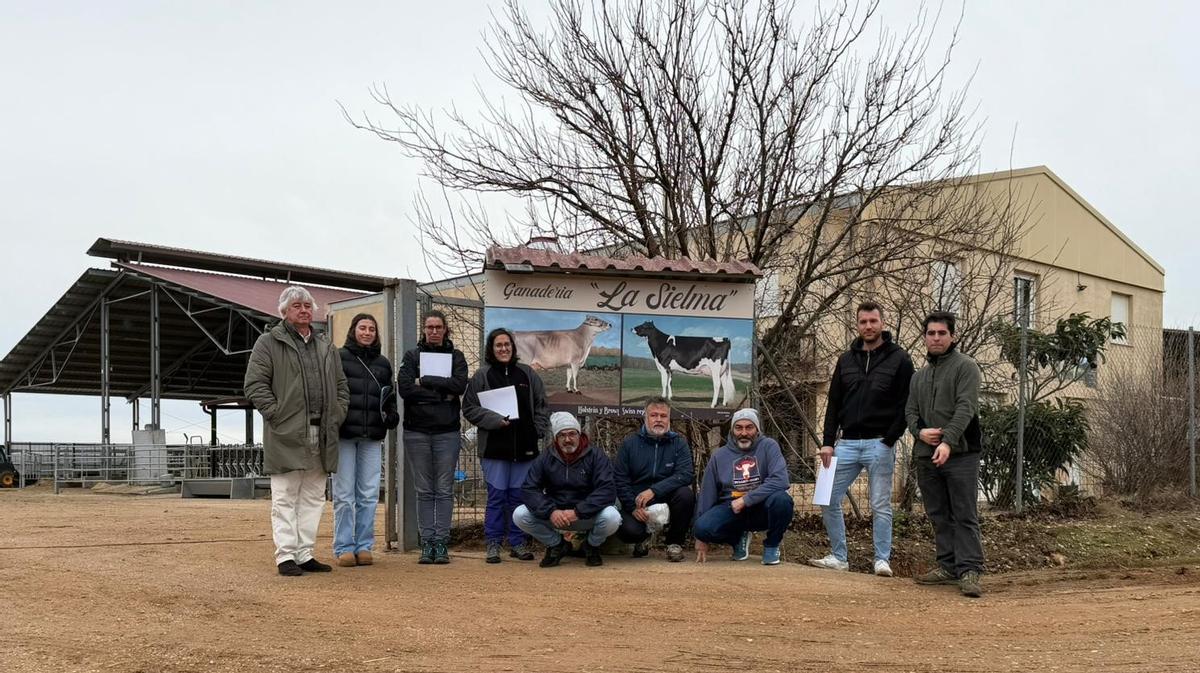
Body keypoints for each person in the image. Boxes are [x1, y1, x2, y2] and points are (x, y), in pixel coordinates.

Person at [244, 286, 349, 576]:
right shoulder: (268, 343)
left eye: (307, 305)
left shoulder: (326, 346)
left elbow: (341, 387)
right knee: (285, 495)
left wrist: (337, 413)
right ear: (284, 311)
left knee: (314, 496)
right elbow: (255, 384)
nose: (303, 310)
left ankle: (305, 553)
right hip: (287, 433)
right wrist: (277, 415)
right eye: (296, 306)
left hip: (322, 432)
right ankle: (286, 555)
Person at [810, 301, 914, 577]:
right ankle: (839, 556)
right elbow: (833, 403)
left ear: (882, 323)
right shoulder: (846, 360)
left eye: (873, 321)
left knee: (880, 504)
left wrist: (889, 440)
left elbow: (907, 403)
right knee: (826, 496)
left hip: (880, 443)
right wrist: (828, 442)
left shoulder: (900, 359)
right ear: (857, 325)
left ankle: (882, 559)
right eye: (863, 322)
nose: (868, 326)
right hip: (845, 444)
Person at [905, 311, 985, 598]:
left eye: (941, 333)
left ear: (953, 336)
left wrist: (948, 441)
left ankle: (969, 570)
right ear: (925, 337)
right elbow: (910, 411)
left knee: (964, 513)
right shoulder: (919, 377)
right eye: (931, 333)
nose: (936, 338)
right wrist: (919, 433)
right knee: (938, 513)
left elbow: (966, 408)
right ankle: (947, 566)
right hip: (926, 454)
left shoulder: (967, 367)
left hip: (961, 453)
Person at [462, 327, 550, 564]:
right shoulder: (482, 375)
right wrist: (494, 420)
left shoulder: (528, 374)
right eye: (498, 345)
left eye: (507, 345)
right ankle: (492, 543)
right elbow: (469, 408)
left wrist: (537, 430)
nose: (503, 349)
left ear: (513, 347)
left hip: (524, 448)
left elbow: (542, 405)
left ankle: (517, 542)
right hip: (494, 448)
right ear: (491, 349)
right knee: (496, 498)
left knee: (518, 499)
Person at [397, 310, 469, 565]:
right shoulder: (411, 356)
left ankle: (441, 541)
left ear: (445, 329)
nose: (434, 331)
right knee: (424, 489)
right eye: (430, 327)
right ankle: (427, 542)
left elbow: (460, 385)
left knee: (444, 489)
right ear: (424, 330)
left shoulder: (456, 357)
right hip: (416, 431)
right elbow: (405, 389)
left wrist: (425, 381)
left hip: (447, 432)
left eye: (438, 327)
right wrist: (441, 393)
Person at [333, 313, 399, 568]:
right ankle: (343, 546)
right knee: (344, 494)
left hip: (372, 435)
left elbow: (389, 395)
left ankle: (364, 545)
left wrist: (391, 414)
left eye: (372, 328)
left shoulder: (383, 363)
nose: (367, 332)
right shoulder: (339, 357)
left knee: (369, 493)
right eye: (363, 328)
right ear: (354, 330)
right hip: (345, 434)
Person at [513, 412, 621, 568]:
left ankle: (591, 546)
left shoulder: (596, 455)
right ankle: (557, 544)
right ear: (556, 438)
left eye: (572, 434)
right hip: (556, 516)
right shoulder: (545, 457)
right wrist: (551, 511)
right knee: (519, 514)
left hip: (585, 516)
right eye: (562, 435)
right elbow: (529, 489)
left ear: (579, 434)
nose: (567, 439)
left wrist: (578, 511)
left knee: (612, 517)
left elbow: (607, 490)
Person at [694, 409, 793, 565]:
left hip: (762, 506)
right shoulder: (719, 456)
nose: (744, 433)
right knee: (701, 528)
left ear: (757, 430)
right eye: (738, 428)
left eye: (749, 427)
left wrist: (746, 499)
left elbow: (780, 480)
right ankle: (737, 538)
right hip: (731, 508)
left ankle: (772, 545)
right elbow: (707, 494)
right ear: (732, 431)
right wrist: (701, 537)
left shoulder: (769, 446)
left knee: (782, 500)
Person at [613, 397, 694, 562]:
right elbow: (620, 480)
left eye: (663, 416)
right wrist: (632, 507)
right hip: (637, 500)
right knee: (629, 531)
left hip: (666, 496)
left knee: (686, 495)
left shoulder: (679, 443)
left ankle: (674, 543)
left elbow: (685, 474)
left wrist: (654, 490)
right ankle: (642, 539)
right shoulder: (629, 444)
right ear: (645, 417)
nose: (658, 420)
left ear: (669, 419)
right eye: (654, 415)